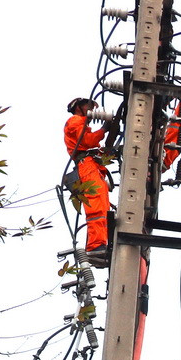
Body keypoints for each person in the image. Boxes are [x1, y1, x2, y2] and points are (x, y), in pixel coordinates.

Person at [63, 97, 111, 263]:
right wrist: (104, 129)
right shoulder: (75, 120)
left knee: (103, 206)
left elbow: (90, 142)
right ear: (78, 107)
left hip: (92, 165)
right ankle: (95, 246)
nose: (91, 110)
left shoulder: (82, 124)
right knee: (96, 205)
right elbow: (87, 141)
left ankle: (100, 244)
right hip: (86, 166)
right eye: (88, 106)